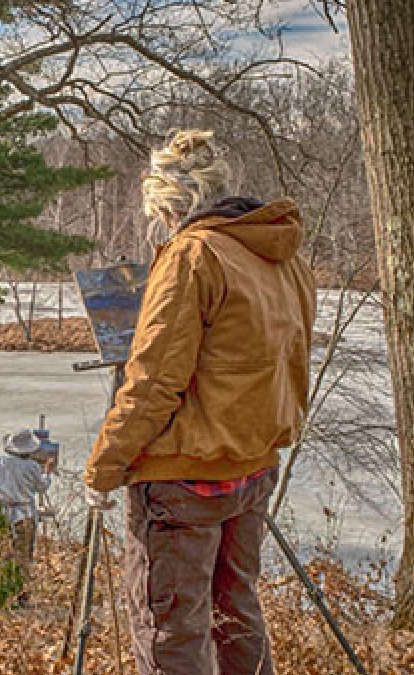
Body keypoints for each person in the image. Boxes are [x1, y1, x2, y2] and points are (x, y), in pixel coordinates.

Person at [83, 130, 315, 675]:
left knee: (173, 632)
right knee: (236, 616)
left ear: (169, 205)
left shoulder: (193, 254)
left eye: (157, 213)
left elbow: (153, 381)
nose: (159, 224)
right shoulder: (278, 254)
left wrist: (103, 467)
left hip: (182, 478)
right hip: (251, 469)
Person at [0, 428, 56, 606]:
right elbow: (42, 486)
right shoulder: (32, 467)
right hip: (24, 514)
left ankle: (1, 591)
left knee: (3, 552)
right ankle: (20, 595)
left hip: (1, 513)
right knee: (23, 555)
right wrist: (47, 472)